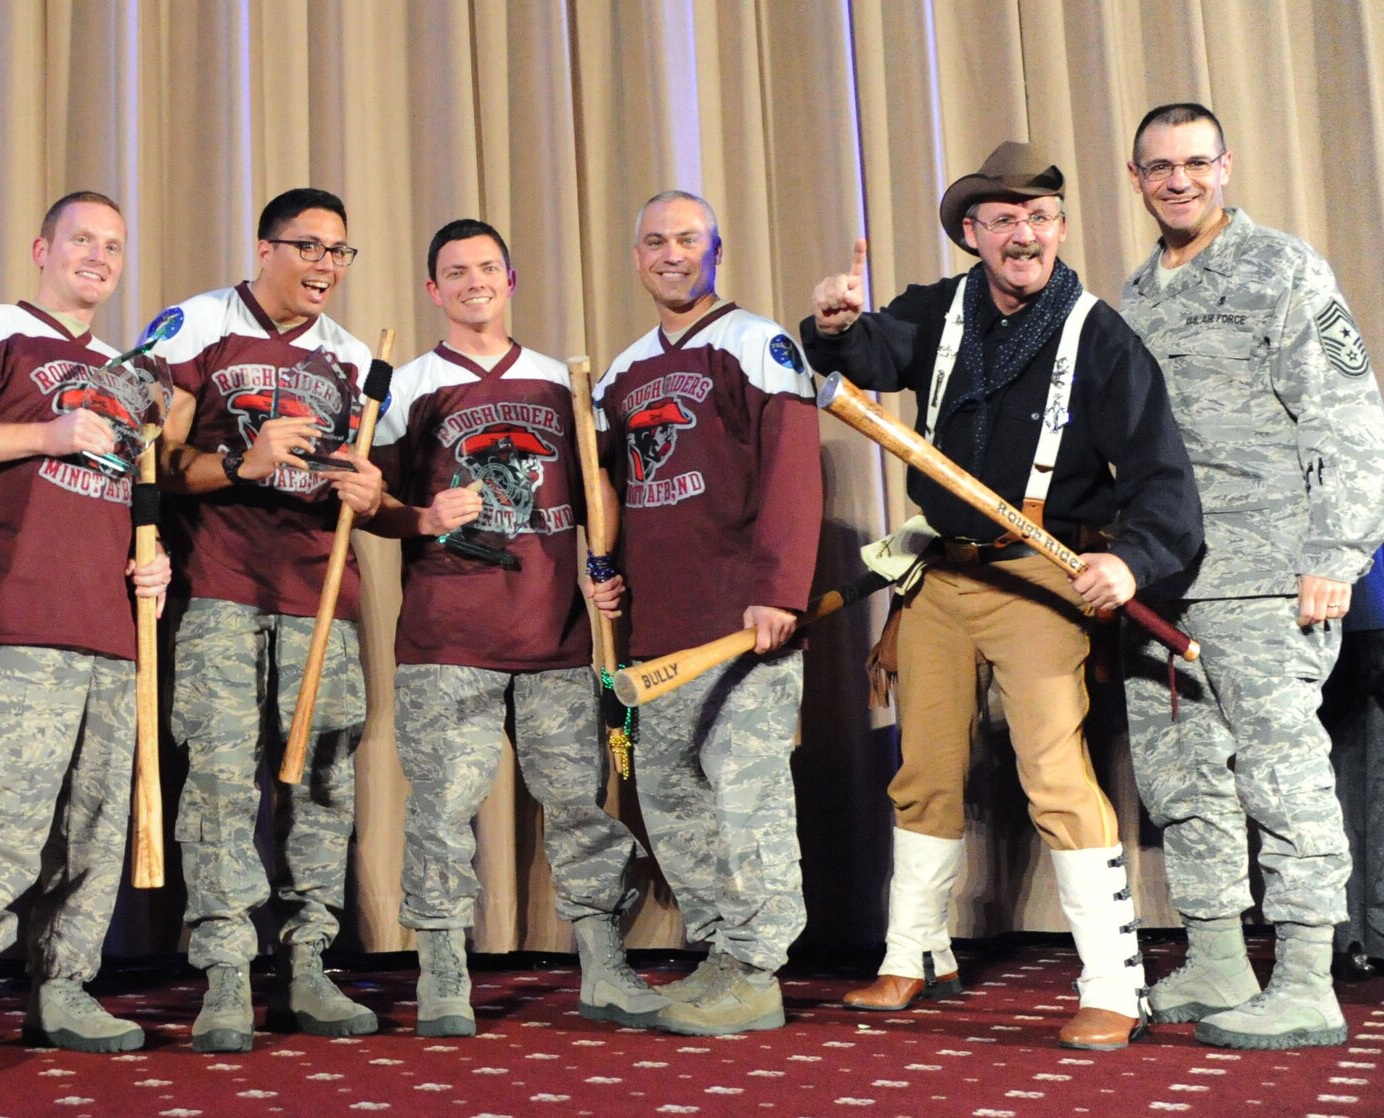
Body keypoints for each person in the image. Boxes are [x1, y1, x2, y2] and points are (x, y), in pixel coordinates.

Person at [801, 142, 1203, 1050]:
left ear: (1060, 229)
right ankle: (913, 954)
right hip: (940, 575)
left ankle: (1113, 983)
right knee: (925, 768)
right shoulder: (938, 311)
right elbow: (866, 351)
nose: (1024, 235)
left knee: (1055, 776)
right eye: (1004, 220)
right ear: (974, 234)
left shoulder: (1100, 336)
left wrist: (1130, 564)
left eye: (1040, 218)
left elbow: (1163, 480)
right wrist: (833, 328)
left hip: (1036, 579)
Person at [1117, 103, 1384, 1049]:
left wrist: (1335, 554)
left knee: (1282, 781)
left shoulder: (1283, 267)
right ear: (1136, 178)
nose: (1180, 181)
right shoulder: (1135, 296)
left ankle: (1309, 981)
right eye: (1160, 167)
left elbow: (1347, 415)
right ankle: (1216, 957)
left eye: (1197, 162)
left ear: (1226, 166)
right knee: (1184, 781)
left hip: (1265, 575)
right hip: (1161, 583)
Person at [362, 219, 665, 1037]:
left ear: (511, 277)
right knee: (442, 811)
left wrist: (605, 570)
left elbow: (605, 492)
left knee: (577, 803)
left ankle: (602, 964)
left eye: (487, 267)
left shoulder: (562, 383)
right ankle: (441, 973)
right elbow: (371, 506)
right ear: (433, 290)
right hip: (445, 639)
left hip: (555, 639)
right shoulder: (409, 384)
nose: (472, 282)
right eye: (454, 272)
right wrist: (422, 516)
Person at [0, 191, 172, 1072]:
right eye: (81, 239)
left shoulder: (133, 376)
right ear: (41, 246)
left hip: (114, 626)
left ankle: (63, 992)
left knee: (93, 830)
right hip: (20, 616)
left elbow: (136, 498)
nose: (97, 256)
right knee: (0, 817)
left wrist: (151, 565)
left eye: (113, 246)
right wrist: (45, 429)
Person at [153, 188, 386, 1052]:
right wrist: (239, 463)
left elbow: (381, 489)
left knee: (322, 782)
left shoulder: (355, 360)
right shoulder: (197, 326)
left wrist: (375, 492)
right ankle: (223, 972)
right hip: (218, 589)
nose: (326, 265)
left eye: (339, 251)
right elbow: (159, 463)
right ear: (265, 247)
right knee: (219, 786)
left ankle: (311, 966)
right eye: (309, 247)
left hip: (319, 594)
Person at [587, 191, 823, 1036]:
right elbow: (605, 493)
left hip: (743, 624)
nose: (670, 253)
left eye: (687, 238)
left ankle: (758, 970)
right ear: (638, 256)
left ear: (715, 248)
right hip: (659, 634)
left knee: (747, 799)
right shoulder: (618, 373)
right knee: (671, 796)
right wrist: (601, 572)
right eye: (654, 241)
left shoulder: (758, 344)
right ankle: (721, 953)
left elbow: (795, 471)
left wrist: (781, 587)